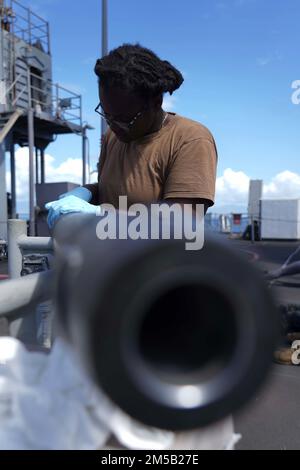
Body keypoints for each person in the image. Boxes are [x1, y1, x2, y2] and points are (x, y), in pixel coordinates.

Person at [46, 43, 218, 228]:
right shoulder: (113, 136)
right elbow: (110, 191)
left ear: (156, 102)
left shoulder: (190, 140)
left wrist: (99, 214)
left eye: (124, 119)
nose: (113, 125)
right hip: (110, 254)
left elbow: (181, 223)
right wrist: (85, 192)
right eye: (106, 114)